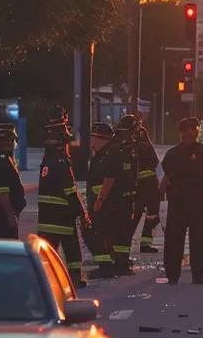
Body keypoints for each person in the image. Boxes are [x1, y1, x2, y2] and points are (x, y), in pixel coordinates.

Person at [37, 111, 92, 287]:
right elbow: (70, 192)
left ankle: (43, 281)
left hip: (45, 219)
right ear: (62, 143)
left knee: (46, 252)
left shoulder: (47, 160)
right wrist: (83, 214)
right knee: (73, 251)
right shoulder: (61, 162)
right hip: (62, 218)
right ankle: (75, 280)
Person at [160, 116, 203, 285]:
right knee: (176, 238)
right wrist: (159, 198)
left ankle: (197, 274)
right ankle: (174, 274)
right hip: (180, 201)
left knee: (197, 238)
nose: (191, 134)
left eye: (193, 130)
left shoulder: (202, 152)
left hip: (197, 201)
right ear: (182, 133)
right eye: (188, 131)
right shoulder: (173, 154)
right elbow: (165, 179)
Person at [96, 115, 140, 276]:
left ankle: (121, 263)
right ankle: (115, 264)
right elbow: (110, 177)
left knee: (123, 233)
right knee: (114, 232)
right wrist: (101, 200)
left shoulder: (129, 148)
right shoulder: (116, 148)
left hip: (126, 199)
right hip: (115, 200)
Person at [84, 122, 116, 277]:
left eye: (93, 137)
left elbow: (109, 179)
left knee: (93, 233)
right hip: (98, 202)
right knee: (97, 234)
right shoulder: (99, 155)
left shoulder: (108, 155)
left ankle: (105, 267)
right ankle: (105, 266)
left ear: (102, 139)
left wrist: (99, 201)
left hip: (104, 204)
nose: (91, 141)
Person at [131, 117, 161, 253]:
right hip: (149, 185)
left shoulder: (131, 145)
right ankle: (144, 243)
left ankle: (126, 243)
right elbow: (155, 162)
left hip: (141, 186)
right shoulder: (144, 145)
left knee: (137, 215)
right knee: (150, 215)